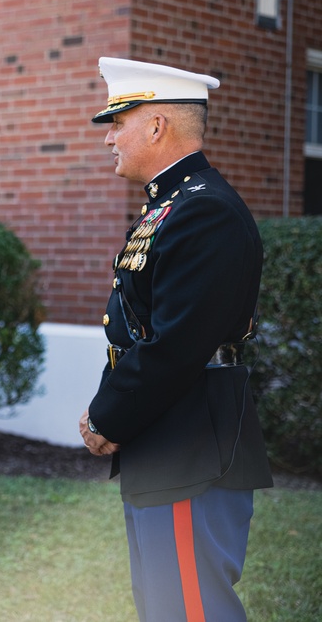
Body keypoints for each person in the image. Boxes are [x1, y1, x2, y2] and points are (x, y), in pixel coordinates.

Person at [79, 57, 273, 621]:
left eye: (118, 123)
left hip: (190, 440)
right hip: (167, 437)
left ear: (157, 126)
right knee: (166, 608)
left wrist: (107, 416)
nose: (110, 137)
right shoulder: (171, 206)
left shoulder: (202, 210)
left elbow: (175, 345)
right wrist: (108, 409)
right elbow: (134, 330)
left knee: (191, 610)